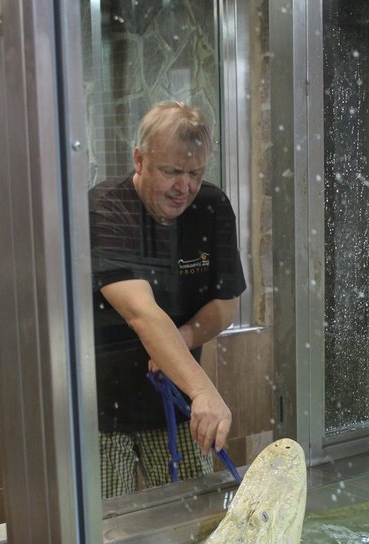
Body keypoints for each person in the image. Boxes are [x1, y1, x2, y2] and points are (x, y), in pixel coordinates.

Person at [90, 101, 247, 498]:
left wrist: (186, 337)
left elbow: (227, 303)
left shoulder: (211, 207)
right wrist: (204, 392)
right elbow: (141, 312)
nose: (184, 188)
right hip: (100, 410)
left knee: (196, 521)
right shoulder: (106, 209)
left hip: (176, 401)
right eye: (171, 172)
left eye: (195, 173)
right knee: (111, 532)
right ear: (139, 160)